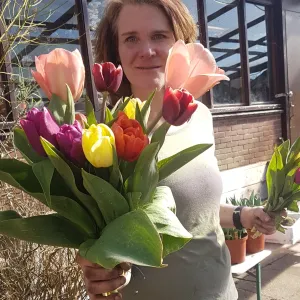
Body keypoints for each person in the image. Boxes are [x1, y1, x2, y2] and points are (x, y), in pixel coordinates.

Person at [76, 1, 278, 299]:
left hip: (221, 292)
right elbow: (96, 234)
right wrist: (95, 266)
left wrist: (242, 216)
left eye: (159, 36)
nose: (147, 50)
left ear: (180, 44)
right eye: (131, 38)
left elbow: (193, 208)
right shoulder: (102, 135)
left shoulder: (199, 116)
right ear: (115, 50)